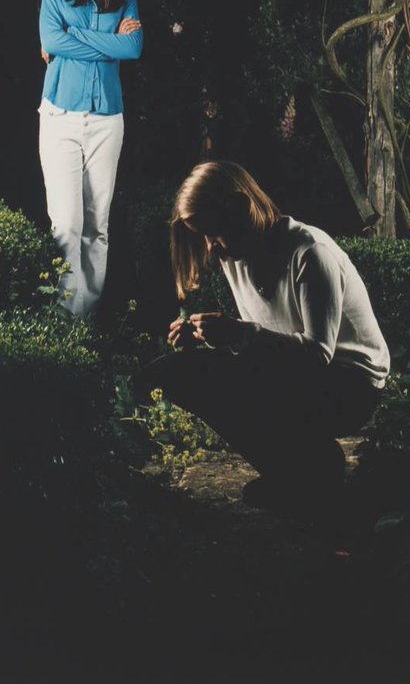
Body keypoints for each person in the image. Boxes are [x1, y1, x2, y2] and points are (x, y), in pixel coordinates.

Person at [140, 161, 390, 513]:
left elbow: (317, 355)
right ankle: (300, 470)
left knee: (216, 379)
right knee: (179, 373)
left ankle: (313, 469)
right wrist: (210, 336)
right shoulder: (235, 256)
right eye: (204, 236)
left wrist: (239, 334)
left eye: (214, 232)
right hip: (303, 375)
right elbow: (262, 342)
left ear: (241, 209)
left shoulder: (310, 253)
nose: (210, 247)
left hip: (352, 385)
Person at [38, 0, 142, 318]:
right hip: (60, 118)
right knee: (66, 225)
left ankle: (89, 318)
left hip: (107, 122)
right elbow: (50, 39)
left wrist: (70, 37)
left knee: (97, 226)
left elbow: (132, 49)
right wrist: (106, 39)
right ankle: (68, 320)